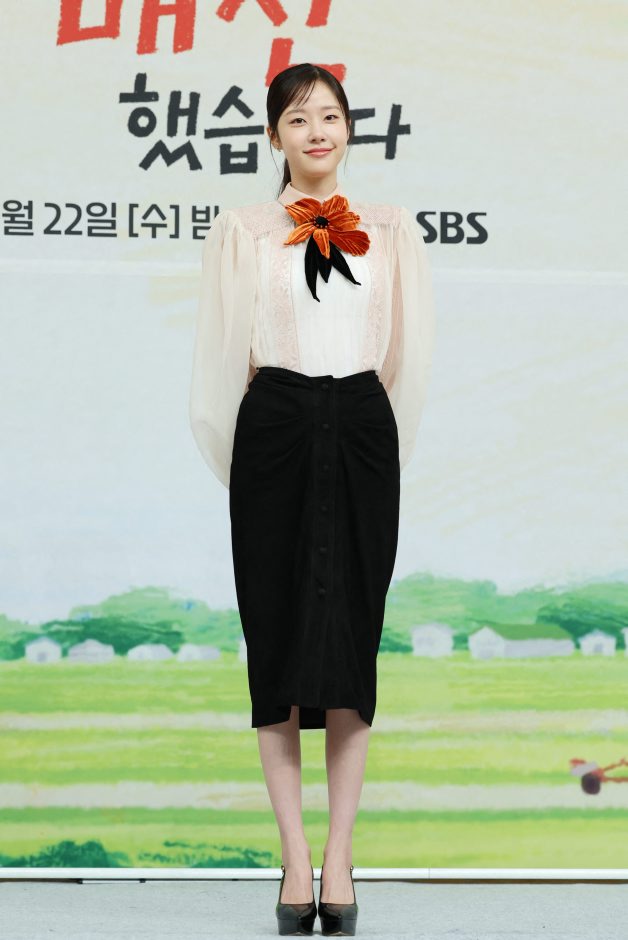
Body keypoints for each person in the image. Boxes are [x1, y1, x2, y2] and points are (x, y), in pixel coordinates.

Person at [189, 62, 435, 936]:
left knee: (351, 650)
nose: (316, 132)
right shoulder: (243, 231)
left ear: (349, 129)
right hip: (275, 432)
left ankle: (339, 856)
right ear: (273, 137)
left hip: (361, 429)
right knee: (278, 645)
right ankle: (294, 860)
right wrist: (252, 469)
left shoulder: (392, 229)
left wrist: (373, 446)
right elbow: (219, 366)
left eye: (328, 116)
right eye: (297, 119)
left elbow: (406, 363)